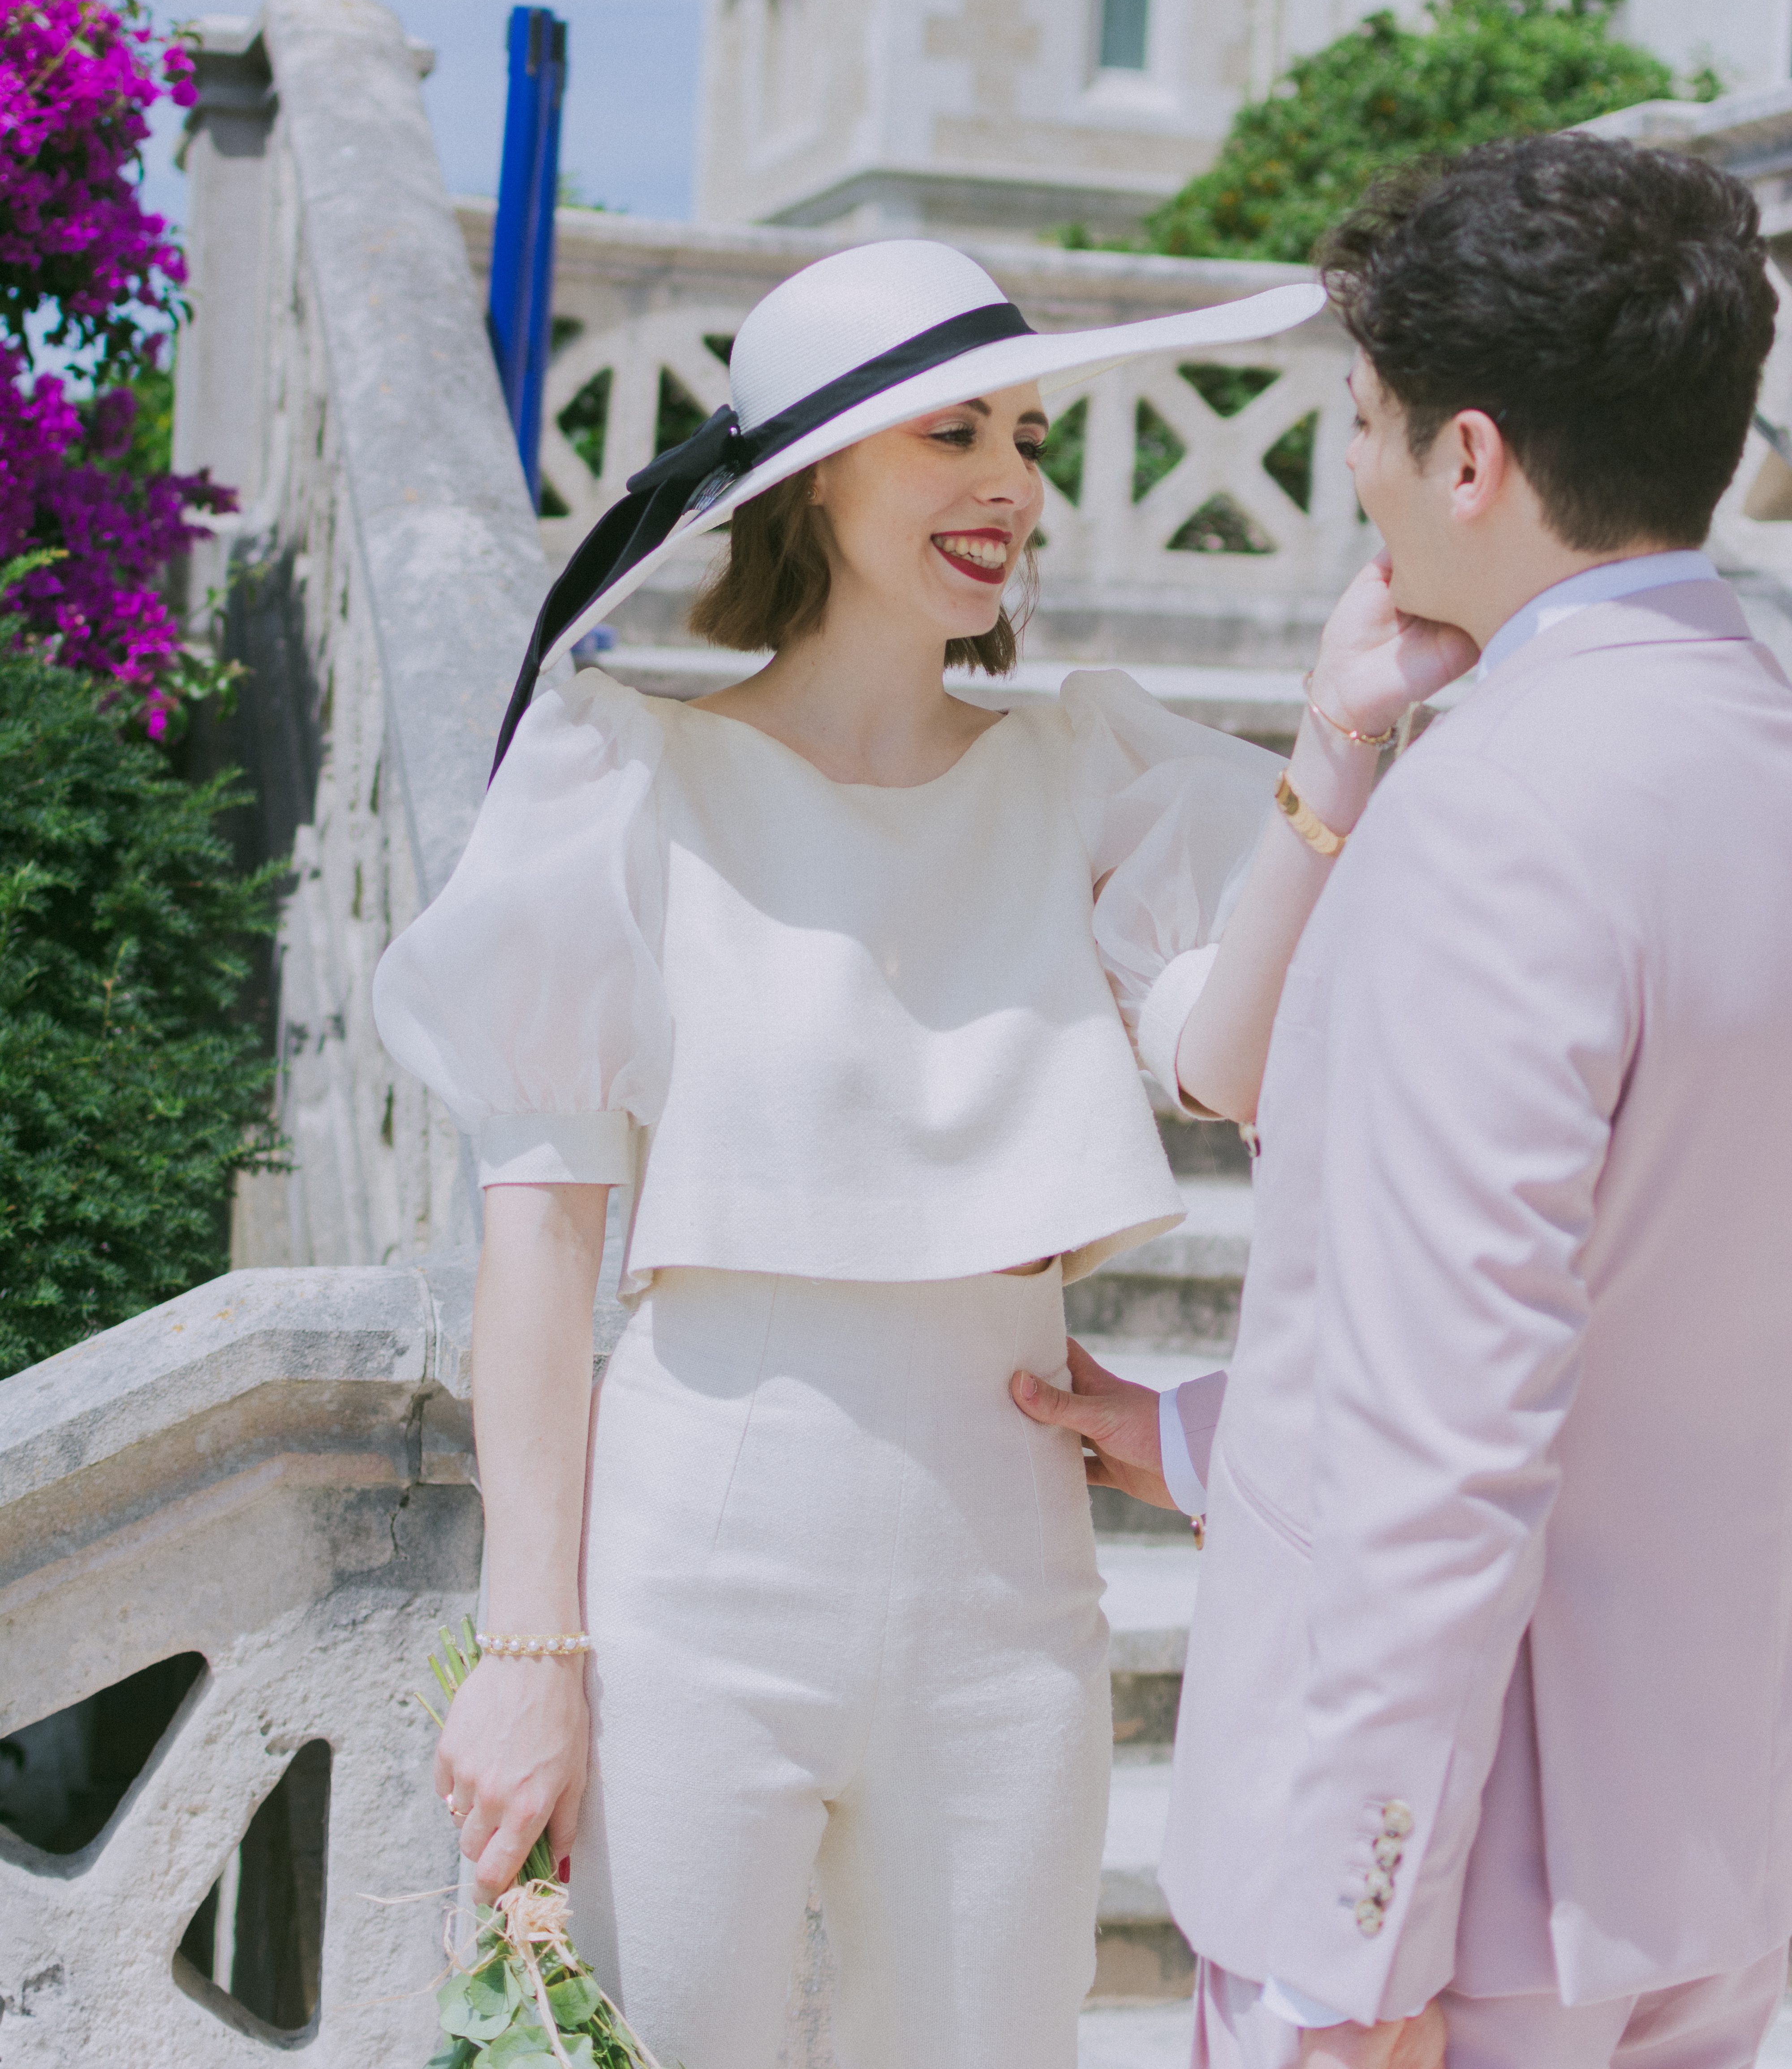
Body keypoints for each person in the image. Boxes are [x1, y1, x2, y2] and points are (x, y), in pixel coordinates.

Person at [370, 237, 1469, 2069]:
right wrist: (529, 1651)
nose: (1011, 487)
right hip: (692, 1558)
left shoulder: (1090, 762)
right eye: (949, 432)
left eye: (1027, 439)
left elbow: (1229, 1051)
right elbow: (541, 1243)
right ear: (814, 472)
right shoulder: (616, 771)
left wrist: (1338, 753)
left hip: (1006, 1572)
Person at [1016, 133, 1792, 2069]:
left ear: (1469, 456)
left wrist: (1352, 1944)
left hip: (1463, 1900)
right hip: (1714, 1858)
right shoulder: (1753, 756)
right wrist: (1205, 1438)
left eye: (1362, 421)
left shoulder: (1498, 818)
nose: (1348, 470)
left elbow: (1449, 1428)